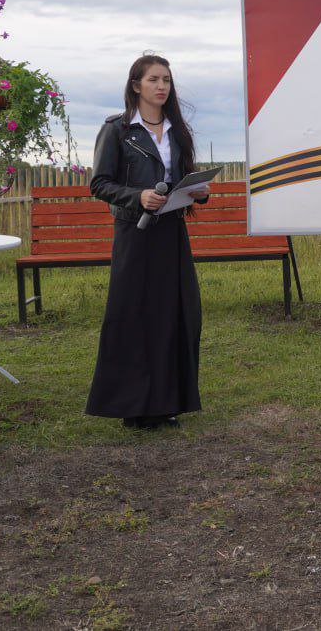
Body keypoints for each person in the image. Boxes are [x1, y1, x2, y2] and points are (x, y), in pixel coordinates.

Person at [86, 54, 210, 429]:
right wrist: (137, 196)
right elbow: (99, 184)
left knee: (175, 313)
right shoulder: (118, 130)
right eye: (154, 79)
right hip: (135, 233)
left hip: (172, 232)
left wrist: (197, 191)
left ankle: (166, 402)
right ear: (136, 85)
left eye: (167, 80)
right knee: (133, 315)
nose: (161, 86)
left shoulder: (177, 130)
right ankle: (133, 406)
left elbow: (182, 177)